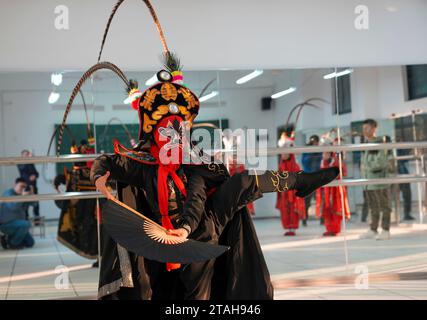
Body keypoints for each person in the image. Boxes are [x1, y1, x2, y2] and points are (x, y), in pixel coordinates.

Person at [57, 0, 340, 300]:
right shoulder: (141, 165)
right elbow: (107, 161)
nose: (175, 136)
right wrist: (100, 176)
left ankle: (301, 183)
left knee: (241, 185)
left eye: (179, 129)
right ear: (155, 133)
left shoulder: (194, 164)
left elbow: (195, 197)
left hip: (202, 230)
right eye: (167, 129)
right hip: (159, 239)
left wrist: (187, 228)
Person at [54, 139, 99, 263]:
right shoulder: (74, 174)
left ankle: (100, 256)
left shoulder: (88, 172)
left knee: (93, 230)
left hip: (93, 208)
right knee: (86, 229)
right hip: (81, 208)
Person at [360, 119, 392, 240]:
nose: (364, 131)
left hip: (379, 180)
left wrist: (367, 165)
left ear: (374, 128)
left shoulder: (379, 143)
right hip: (368, 181)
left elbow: (381, 161)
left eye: (367, 128)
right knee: (373, 206)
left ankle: (385, 230)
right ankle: (373, 229)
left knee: (384, 206)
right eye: (363, 128)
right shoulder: (365, 143)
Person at [316, 144, 350, 236]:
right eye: (324, 152)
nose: (325, 154)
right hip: (326, 189)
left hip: (335, 190)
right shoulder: (323, 162)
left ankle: (335, 229)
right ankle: (329, 228)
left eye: (327, 152)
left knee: (336, 208)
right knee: (327, 209)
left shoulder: (336, 161)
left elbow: (341, 172)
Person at [276, 133, 305, 236]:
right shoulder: (281, 165)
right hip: (284, 192)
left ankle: (293, 227)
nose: (282, 155)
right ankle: (288, 227)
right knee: (285, 210)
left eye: (284, 153)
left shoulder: (295, 165)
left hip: (292, 192)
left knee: (293, 210)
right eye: (281, 153)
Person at [0, 178, 35, 249]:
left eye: (24, 187)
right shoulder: (8, 193)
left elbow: (34, 204)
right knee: (26, 224)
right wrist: (23, 197)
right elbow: (13, 207)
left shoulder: (22, 195)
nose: (23, 189)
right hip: (6, 225)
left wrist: (32, 194)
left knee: (30, 243)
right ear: (15, 185)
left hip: (18, 225)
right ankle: (12, 243)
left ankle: (8, 239)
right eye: (21, 186)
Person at [301, 135, 323, 226]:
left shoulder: (320, 151)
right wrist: (311, 153)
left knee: (321, 199)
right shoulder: (306, 151)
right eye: (313, 142)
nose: (314, 144)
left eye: (316, 142)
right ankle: (304, 218)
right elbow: (304, 162)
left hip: (318, 178)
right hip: (308, 179)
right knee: (307, 201)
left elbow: (323, 161)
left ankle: (323, 218)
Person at [17, 149, 40, 223]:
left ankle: (37, 221)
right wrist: (29, 160)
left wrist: (34, 176)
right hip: (25, 187)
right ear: (22, 156)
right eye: (26, 154)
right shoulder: (20, 163)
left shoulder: (31, 163)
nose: (27, 155)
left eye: (28, 154)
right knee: (25, 205)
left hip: (33, 186)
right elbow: (22, 170)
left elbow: (36, 173)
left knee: (36, 205)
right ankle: (25, 220)